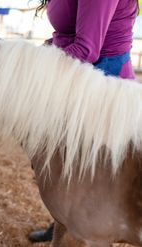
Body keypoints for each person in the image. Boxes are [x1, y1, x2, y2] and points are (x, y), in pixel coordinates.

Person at [28, 0, 138, 243]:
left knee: (85, 175)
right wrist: (44, 49)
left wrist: (34, 63)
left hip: (105, 84)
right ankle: (64, 220)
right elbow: (67, 35)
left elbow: (87, 49)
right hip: (80, 80)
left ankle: (85, 224)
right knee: (64, 167)